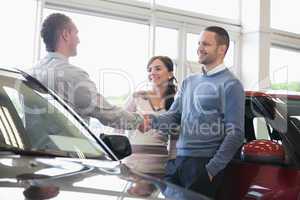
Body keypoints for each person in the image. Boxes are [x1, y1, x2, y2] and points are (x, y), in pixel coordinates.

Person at [140, 26, 245, 198]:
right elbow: (174, 116)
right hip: (177, 162)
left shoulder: (231, 84)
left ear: (221, 49)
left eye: (206, 44)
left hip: (202, 165)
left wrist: (212, 169)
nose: (199, 48)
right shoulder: (189, 81)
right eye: (198, 43)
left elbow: (236, 134)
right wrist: (151, 120)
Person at [29, 13, 142, 129]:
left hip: (31, 145)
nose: (78, 40)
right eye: (76, 34)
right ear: (66, 35)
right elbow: (108, 113)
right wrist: (140, 121)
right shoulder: (74, 76)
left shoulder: (30, 72)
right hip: (65, 146)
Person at [124, 56, 178, 196]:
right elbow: (118, 123)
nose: (152, 72)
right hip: (133, 165)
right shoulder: (137, 96)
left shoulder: (175, 103)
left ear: (170, 73)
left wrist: (172, 168)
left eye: (158, 68)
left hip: (159, 168)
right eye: (150, 69)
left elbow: (174, 142)